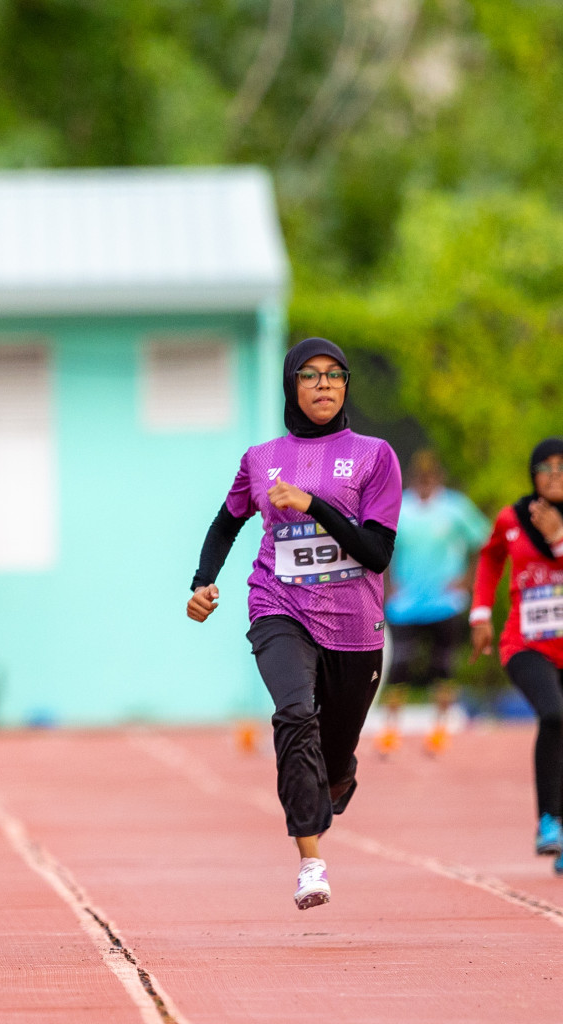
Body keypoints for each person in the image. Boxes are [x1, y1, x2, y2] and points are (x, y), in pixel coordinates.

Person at [186, 337, 402, 910]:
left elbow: (376, 553)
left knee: (331, 765)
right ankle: (311, 863)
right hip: (279, 606)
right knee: (294, 714)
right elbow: (225, 523)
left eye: (335, 375)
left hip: (355, 626)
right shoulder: (260, 458)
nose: (324, 384)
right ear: (292, 386)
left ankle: (337, 774)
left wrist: (313, 505)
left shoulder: (375, 456)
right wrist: (202, 581)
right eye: (310, 375)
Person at [470, 438, 563, 868]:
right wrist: (481, 614)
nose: (555, 474)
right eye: (545, 467)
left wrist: (558, 541)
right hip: (526, 644)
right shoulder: (513, 518)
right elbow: (490, 559)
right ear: (533, 474)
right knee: (553, 714)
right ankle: (548, 819)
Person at [385, 450, 489, 692]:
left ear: (439, 477)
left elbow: (482, 543)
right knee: (399, 663)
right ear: (412, 477)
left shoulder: (455, 507)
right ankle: (392, 726)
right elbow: (382, 548)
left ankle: (443, 724)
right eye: (421, 475)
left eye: (430, 475)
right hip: (405, 601)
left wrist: (467, 579)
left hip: (445, 599)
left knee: (443, 663)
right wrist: (387, 586)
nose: (425, 480)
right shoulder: (400, 507)